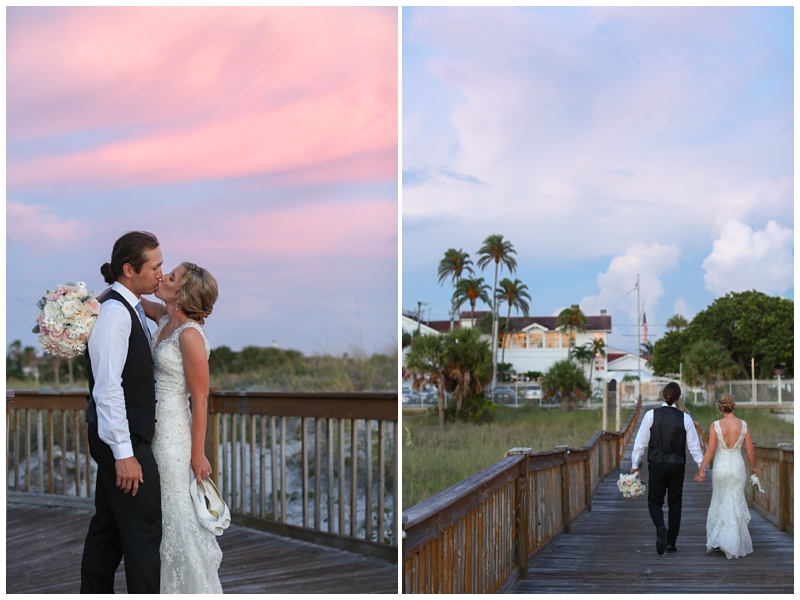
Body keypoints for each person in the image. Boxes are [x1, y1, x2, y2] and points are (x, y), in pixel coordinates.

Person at [81, 231, 164, 593]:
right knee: (144, 532)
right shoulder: (116, 312)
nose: (160, 273)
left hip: (122, 436)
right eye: (155, 267)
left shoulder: (129, 307)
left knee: (109, 529)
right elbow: (108, 387)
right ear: (129, 269)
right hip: (124, 439)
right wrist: (124, 454)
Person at [140, 261, 223, 593]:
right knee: (159, 513)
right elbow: (130, 297)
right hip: (152, 429)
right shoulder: (165, 318)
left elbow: (200, 399)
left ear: (183, 292)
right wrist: (83, 303)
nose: (162, 277)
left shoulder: (189, 335)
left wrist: (197, 454)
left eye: (171, 277)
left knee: (175, 513)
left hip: (173, 435)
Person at [630, 382, 704, 555]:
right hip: (677, 465)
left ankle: (660, 527)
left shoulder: (651, 415)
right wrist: (701, 467)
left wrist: (635, 465)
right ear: (678, 399)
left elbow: (640, 443)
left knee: (654, 502)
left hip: (657, 464)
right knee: (675, 503)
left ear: (663, 396)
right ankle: (671, 543)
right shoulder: (685, 418)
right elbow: (694, 447)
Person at [694, 394, 757, 559]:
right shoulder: (743, 425)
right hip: (737, 467)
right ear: (733, 406)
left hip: (721, 468)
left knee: (720, 500)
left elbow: (711, 450)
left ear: (720, 408)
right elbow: (750, 449)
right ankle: (733, 542)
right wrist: (754, 467)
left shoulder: (716, 425)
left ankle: (721, 539)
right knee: (735, 501)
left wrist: (701, 470)